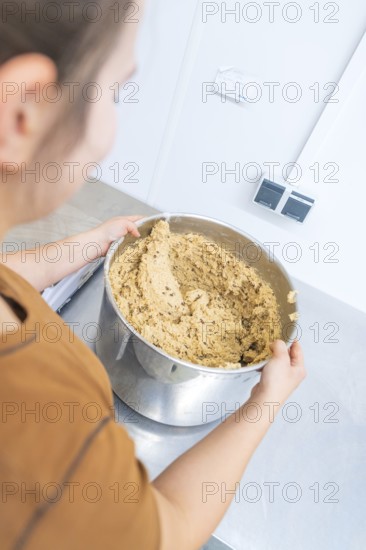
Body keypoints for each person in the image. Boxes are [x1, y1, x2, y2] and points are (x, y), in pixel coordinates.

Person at [0, 1, 306, 548]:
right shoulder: (46, 428)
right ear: (23, 110)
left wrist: (87, 246)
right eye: (115, 91)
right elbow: (169, 530)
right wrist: (265, 405)